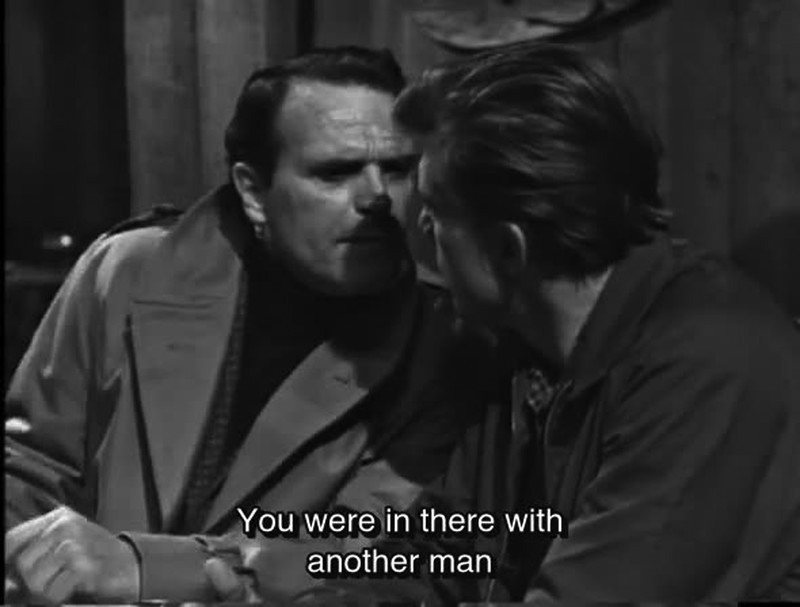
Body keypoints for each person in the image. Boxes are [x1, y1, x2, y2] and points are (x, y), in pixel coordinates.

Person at [4, 46, 500, 604]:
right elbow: (31, 471)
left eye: (397, 169)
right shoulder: (127, 271)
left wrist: (145, 566)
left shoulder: (448, 340)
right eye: (334, 173)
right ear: (253, 191)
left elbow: (374, 551)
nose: (377, 197)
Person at [394, 43, 800, 602]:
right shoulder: (523, 350)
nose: (420, 227)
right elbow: (439, 550)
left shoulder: (711, 359)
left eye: (436, 211)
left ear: (508, 250)